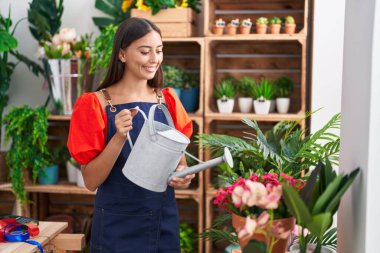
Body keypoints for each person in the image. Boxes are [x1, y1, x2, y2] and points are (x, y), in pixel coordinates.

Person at [67, 17, 195, 253]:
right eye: (145, 52)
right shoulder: (94, 104)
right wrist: (118, 138)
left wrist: (182, 177)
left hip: (162, 221)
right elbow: (90, 181)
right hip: (116, 225)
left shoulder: (167, 100)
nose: (154, 59)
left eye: (159, 50)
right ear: (122, 54)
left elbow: (180, 165)